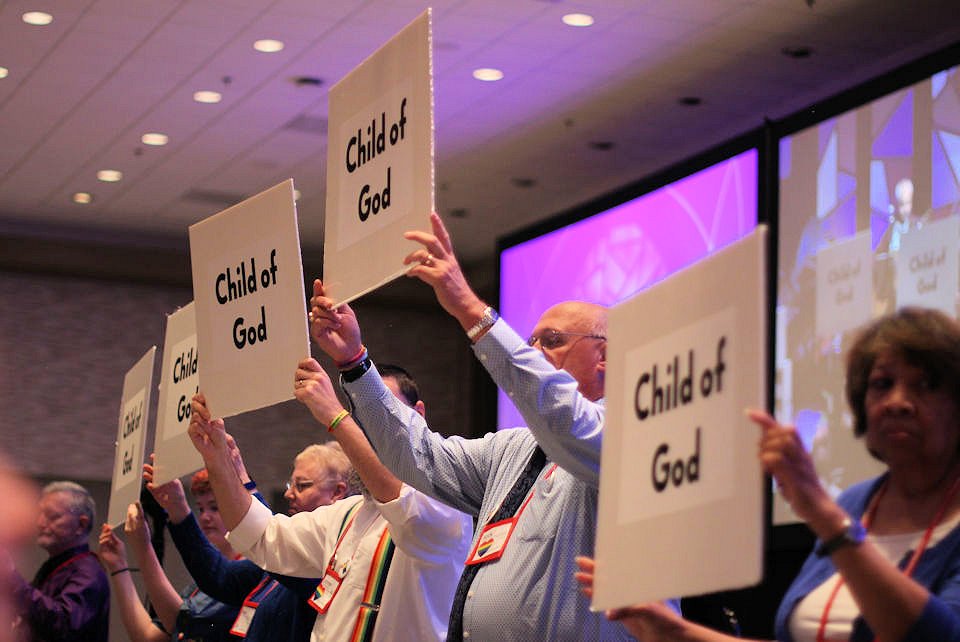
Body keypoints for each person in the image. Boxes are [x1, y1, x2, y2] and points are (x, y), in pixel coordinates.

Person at [306, 212, 665, 640]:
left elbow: (566, 418)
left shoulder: (635, 431)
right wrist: (354, 362)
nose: (533, 352)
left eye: (551, 341)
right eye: (530, 342)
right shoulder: (513, 448)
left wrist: (469, 308)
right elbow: (418, 456)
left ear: (606, 356)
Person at [575, 306, 960, 642]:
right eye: (882, 384)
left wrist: (825, 517)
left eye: (925, 385)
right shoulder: (858, 504)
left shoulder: (838, 517)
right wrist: (671, 630)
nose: (897, 402)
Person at [188, 360, 473, 642]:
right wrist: (217, 462)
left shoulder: (444, 500)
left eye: (382, 411)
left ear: (418, 415)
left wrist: (334, 415)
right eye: (360, 417)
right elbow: (261, 535)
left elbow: (406, 510)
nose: (369, 428)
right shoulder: (348, 513)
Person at [9, 481, 109, 642]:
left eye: (52, 516)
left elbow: (63, 625)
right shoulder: (59, 565)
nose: (40, 523)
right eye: (40, 514)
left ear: (81, 525)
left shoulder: (88, 572)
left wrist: (12, 579)